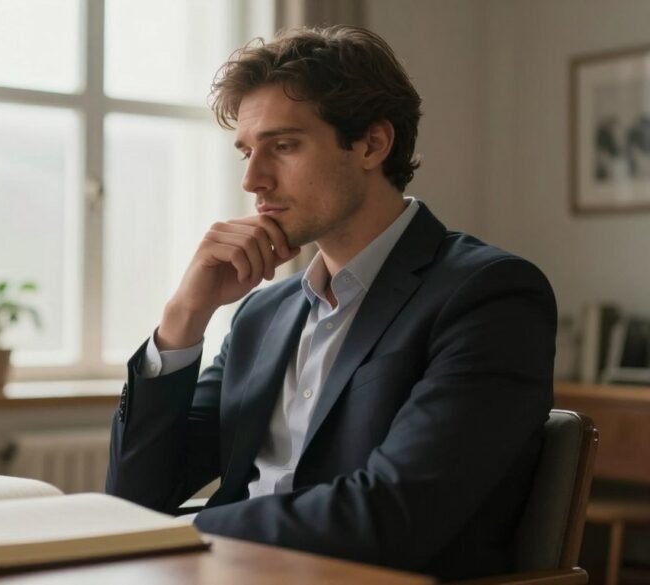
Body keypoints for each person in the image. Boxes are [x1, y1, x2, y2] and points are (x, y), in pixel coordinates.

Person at [105, 25, 556, 581]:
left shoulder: (489, 296)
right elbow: (133, 498)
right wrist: (183, 319)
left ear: (372, 144)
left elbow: (393, 519)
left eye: (284, 146)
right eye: (248, 151)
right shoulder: (263, 315)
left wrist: (178, 538)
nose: (253, 179)